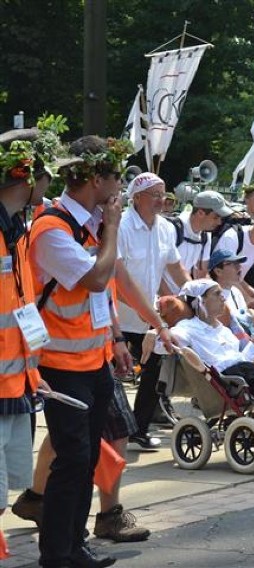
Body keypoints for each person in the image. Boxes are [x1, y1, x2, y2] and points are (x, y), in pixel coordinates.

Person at [28, 135, 137, 567]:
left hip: (93, 359)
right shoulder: (52, 227)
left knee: (87, 456)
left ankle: (74, 544)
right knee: (71, 459)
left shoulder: (86, 223)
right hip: (61, 362)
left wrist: (116, 338)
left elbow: (104, 290)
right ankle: (57, 553)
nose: (119, 189)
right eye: (115, 178)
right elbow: (95, 278)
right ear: (95, 179)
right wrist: (111, 228)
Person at [158, 279, 254, 433]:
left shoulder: (223, 329)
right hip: (230, 380)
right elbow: (164, 343)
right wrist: (155, 333)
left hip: (247, 371)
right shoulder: (187, 328)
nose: (223, 298)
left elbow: (240, 358)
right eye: (217, 294)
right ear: (201, 301)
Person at [0, 129, 52, 553]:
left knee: (6, 488)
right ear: (24, 176)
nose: (49, 180)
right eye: (43, 171)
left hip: (15, 383)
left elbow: (21, 307)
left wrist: (33, 371)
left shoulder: (18, 229)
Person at [118, 172, 190, 449]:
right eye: (155, 195)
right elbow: (117, 278)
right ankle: (111, 430)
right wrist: (140, 307)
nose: (162, 200)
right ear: (137, 198)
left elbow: (173, 267)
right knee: (114, 378)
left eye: (164, 194)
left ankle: (138, 427)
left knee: (155, 370)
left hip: (150, 317)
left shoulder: (166, 228)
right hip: (121, 316)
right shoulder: (122, 227)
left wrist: (196, 290)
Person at [163, 190, 232, 292]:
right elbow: (157, 272)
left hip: (182, 293)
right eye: (216, 217)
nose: (219, 222)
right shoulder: (171, 229)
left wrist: (215, 292)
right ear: (200, 213)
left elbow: (201, 273)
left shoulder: (206, 236)